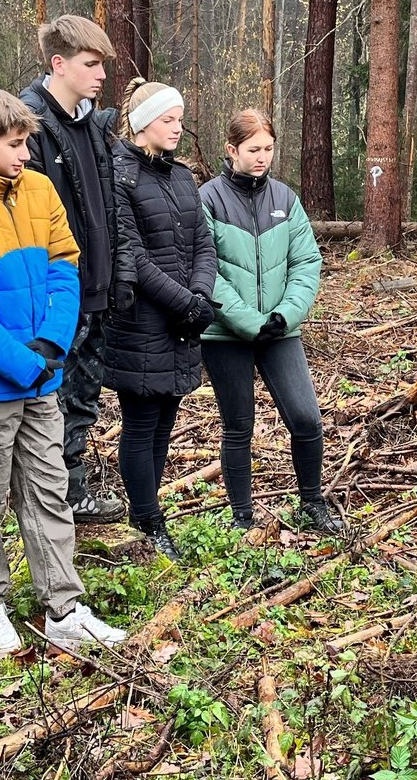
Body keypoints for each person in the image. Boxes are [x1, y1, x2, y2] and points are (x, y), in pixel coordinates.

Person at [0, 88, 130, 654]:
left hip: (42, 378)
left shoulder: (40, 189)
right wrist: (23, 362)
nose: (27, 154)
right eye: (17, 145)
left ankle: (63, 608)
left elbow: (65, 268)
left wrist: (51, 343)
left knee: (49, 490)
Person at [197, 108, 339, 534]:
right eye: (254, 149)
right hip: (225, 333)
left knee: (307, 418)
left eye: (269, 149)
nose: (262, 157)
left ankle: (312, 504)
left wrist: (283, 315)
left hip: (280, 330)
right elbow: (205, 269)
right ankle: (242, 516)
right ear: (232, 150)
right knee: (239, 424)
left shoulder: (285, 200)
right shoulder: (209, 199)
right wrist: (247, 321)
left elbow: (307, 262)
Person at [20, 16, 130, 524]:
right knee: (49, 404)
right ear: (57, 64)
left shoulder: (94, 125)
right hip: (57, 297)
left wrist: (117, 276)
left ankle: (73, 491)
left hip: (99, 291)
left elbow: (108, 209)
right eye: (91, 64)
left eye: (103, 63)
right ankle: (48, 500)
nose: (101, 73)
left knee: (83, 399)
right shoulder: (30, 125)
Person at [105, 79, 218, 557]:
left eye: (180, 119)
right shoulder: (119, 174)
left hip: (182, 320)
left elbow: (203, 244)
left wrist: (200, 295)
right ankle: (149, 522)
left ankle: (145, 513)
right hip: (141, 321)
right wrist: (185, 303)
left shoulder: (181, 177)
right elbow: (132, 253)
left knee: (166, 418)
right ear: (142, 123)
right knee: (141, 420)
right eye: (168, 120)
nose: (177, 128)